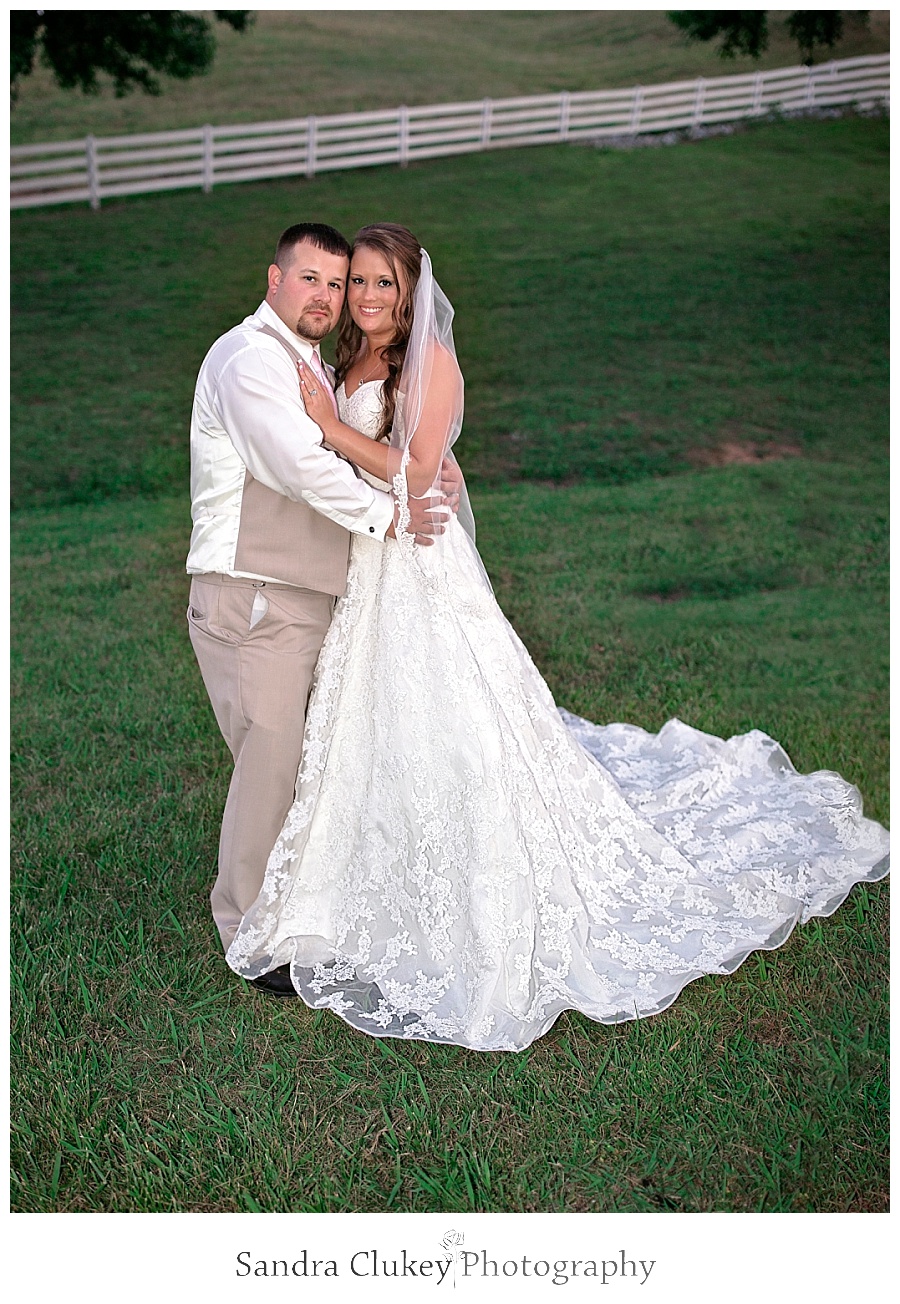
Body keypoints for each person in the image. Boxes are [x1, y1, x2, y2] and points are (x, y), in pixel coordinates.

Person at [225, 223, 889, 1050]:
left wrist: (329, 428)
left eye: (382, 284)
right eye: (356, 281)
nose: (363, 296)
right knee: (368, 728)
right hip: (369, 568)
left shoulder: (428, 363)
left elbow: (421, 471)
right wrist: (335, 425)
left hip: (420, 568)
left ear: (412, 291)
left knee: (461, 726)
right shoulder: (342, 362)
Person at [186, 222, 454, 992]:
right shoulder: (247, 361)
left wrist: (430, 472)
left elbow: (396, 437)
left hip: (315, 589)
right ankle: (250, 933)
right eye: (314, 279)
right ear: (274, 278)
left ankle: (308, 898)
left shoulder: (314, 359)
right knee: (271, 758)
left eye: (340, 284)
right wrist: (394, 511)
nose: (332, 297)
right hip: (256, 590)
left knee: (314, 755)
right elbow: (299, 464)